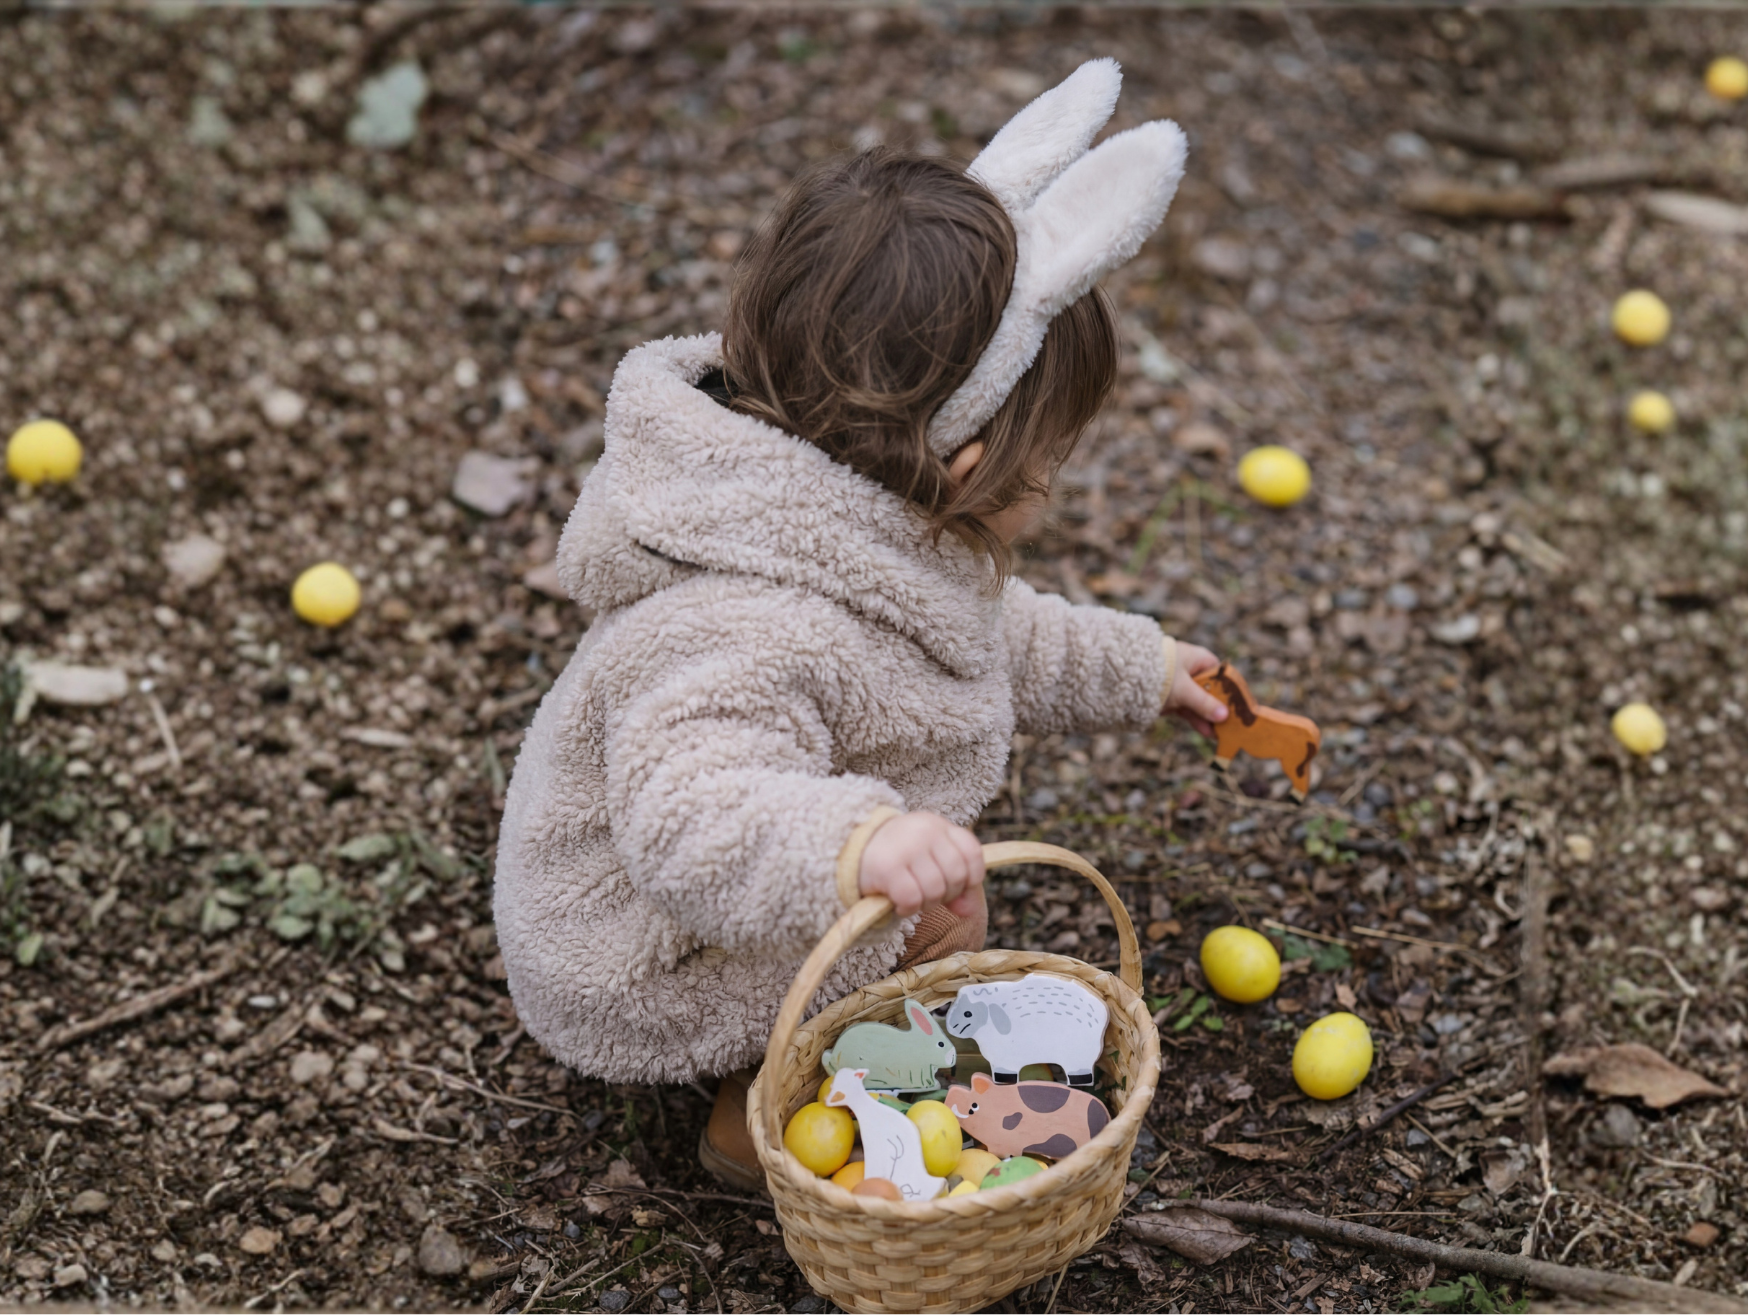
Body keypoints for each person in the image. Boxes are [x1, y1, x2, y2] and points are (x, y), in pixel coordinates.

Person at [487, 61, 1222, 1190]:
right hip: (631, 944)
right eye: (1049, 463)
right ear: (970, 462)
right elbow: (690, 815)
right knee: (930, 910)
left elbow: (987, 635)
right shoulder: (742, 621)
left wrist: (1145, 666)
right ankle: (768, 1115)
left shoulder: (841, 520)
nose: (1051, 487)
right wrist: (852, 845)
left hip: (704, 870)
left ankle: (839, 995)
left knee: (930, 890)